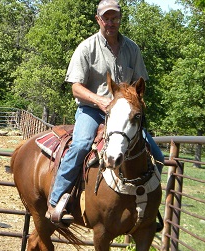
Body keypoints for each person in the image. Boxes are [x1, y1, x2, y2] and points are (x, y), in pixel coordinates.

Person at [46, 0, 165, 224]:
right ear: (98, 19)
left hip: (123, 116)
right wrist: (99, 100)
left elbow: (140, 87)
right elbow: (75, 87)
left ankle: (150, 208)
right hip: (92, 111)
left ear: (120, 19)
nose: (111, 22)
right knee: (81, 144)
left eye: (115, 18)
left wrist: (133, 107)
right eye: (106, 18)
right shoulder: (87, 47)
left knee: (157, 156)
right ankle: (56, 200)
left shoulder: (132, 48)